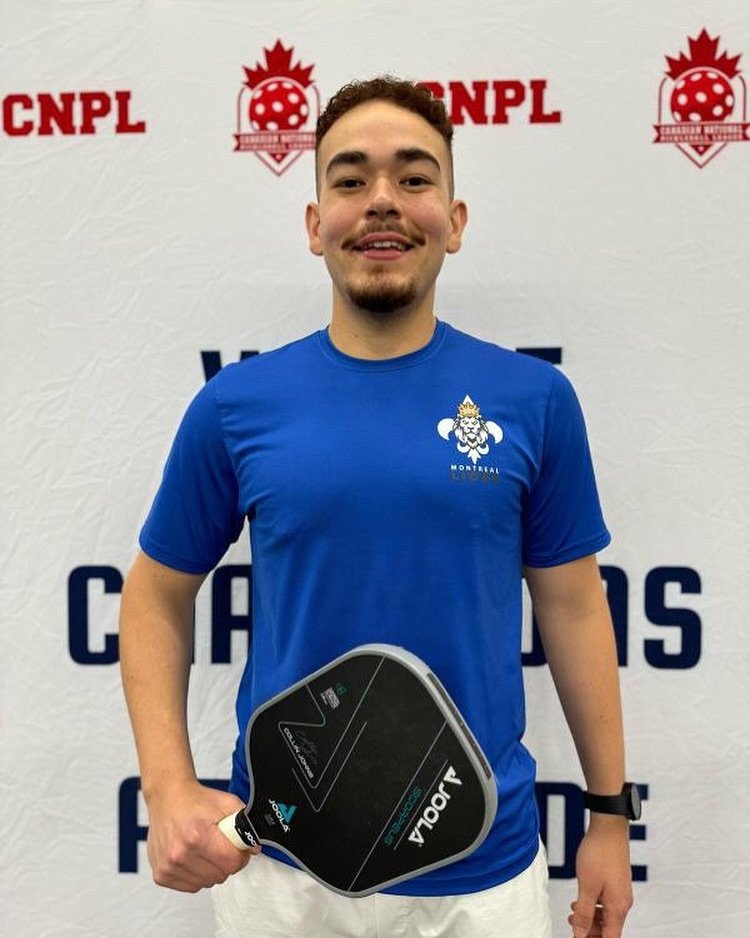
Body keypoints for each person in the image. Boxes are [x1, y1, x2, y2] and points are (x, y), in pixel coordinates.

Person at [120, 76, 635, 938]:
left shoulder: (534, 399)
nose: (383, 201)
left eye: (415, 177)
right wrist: (168, 786)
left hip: (482, 868)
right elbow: (154, 594)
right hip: (286, 872)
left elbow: (576, 608)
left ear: (455, 221)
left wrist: (609, 817)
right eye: (352, 179)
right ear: (315, 223)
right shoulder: (237, 406)